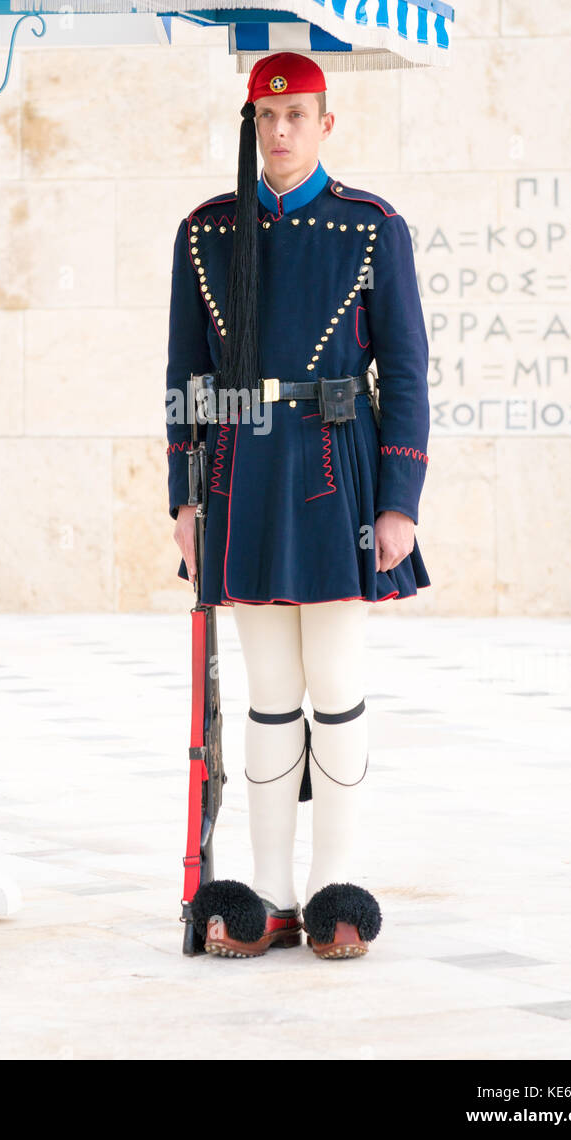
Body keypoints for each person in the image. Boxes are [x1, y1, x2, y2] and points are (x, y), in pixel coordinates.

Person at [164, 51, 431, 959]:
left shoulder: (370, 226)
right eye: (267, 118)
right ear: (253, 124)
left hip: (336, 467)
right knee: (269, 695)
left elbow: (403, 371)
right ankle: (270, 893)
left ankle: (335, 887)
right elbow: (185, 376)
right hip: (241, 472)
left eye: (298, 116)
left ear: (326, 124)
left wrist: (400, 500)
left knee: (338, 687)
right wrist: (184, 498)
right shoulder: (205, 232)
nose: (281, 132)